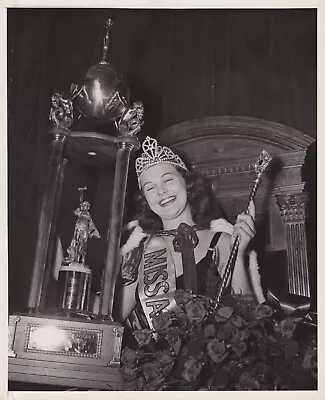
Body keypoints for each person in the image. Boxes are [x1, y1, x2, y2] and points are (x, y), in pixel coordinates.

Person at [113, 136, 265, 330]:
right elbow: (111, 319)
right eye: (150, 188)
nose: (161, 191)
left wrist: (240, 251)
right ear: (145, 200)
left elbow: (248, 314)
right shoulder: (140, 253)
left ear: (187, 183)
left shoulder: (221, 242)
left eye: (167, 179)